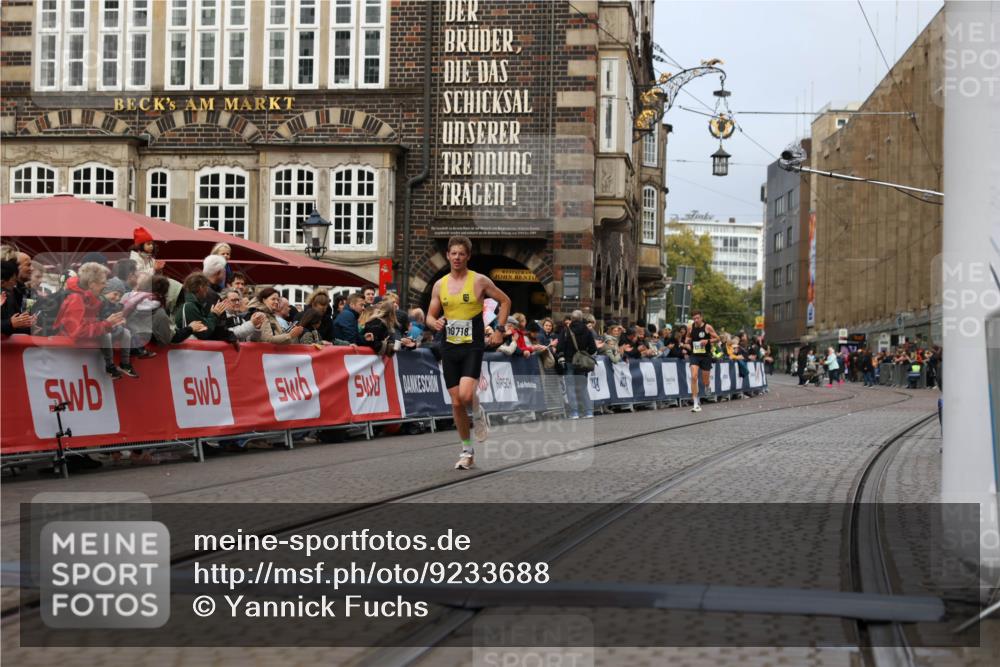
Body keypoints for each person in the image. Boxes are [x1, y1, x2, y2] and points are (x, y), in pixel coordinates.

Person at [425, 236, 510, 471]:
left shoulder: (479, 281)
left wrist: (500, 331)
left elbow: (505, 301)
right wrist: (434, 323)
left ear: (468, 256)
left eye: (461, 254)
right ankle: (467, 451)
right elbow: (430, 315)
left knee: (464, 395)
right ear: (448, 255)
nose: (457, 258)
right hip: (449, 346)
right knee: (455, 402)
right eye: (453, 253)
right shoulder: (440, 285)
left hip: (472, 345)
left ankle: (477, 409)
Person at [53, 263, 128, 376]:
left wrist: (110, 323)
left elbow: (87, 324)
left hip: (72, 359)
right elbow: (77, 331)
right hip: (66, 359)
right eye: (103, 282)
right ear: (92, 284)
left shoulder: (87, 298)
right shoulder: (76, 299)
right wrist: (106, 324)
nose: (105, 286)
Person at [558, 309, 597, 419]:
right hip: (582, 363)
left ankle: (574, 413)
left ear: (572, 319)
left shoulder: (566, 331)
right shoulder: (587, 331)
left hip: (570, 361)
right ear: (581, 318)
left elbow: (560, 347)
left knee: (570, 387)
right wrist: (584, 354)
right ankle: (589, 411)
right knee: (583, 387)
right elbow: (593, 348)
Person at [685, 310, 720, 412]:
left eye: (697, 318)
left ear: (701, 317)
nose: (696, 320)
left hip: (705, 356)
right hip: (695, 355)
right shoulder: (690, 327)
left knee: (705, 379)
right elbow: (687, 337)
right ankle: (695, 403)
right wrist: (687, 340)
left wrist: (707, 341)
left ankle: (707, 386)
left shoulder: (707, 327)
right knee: (694, 376)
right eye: (694, 318)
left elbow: (717, 338)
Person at [175, 272, 227, 341]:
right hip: (188, 350)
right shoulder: (189, 306)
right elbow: (203, 333)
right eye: (206, 287)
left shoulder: (191, 303)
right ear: (201, 287)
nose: (207, 290)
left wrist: (211, 314)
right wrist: (214, 314)